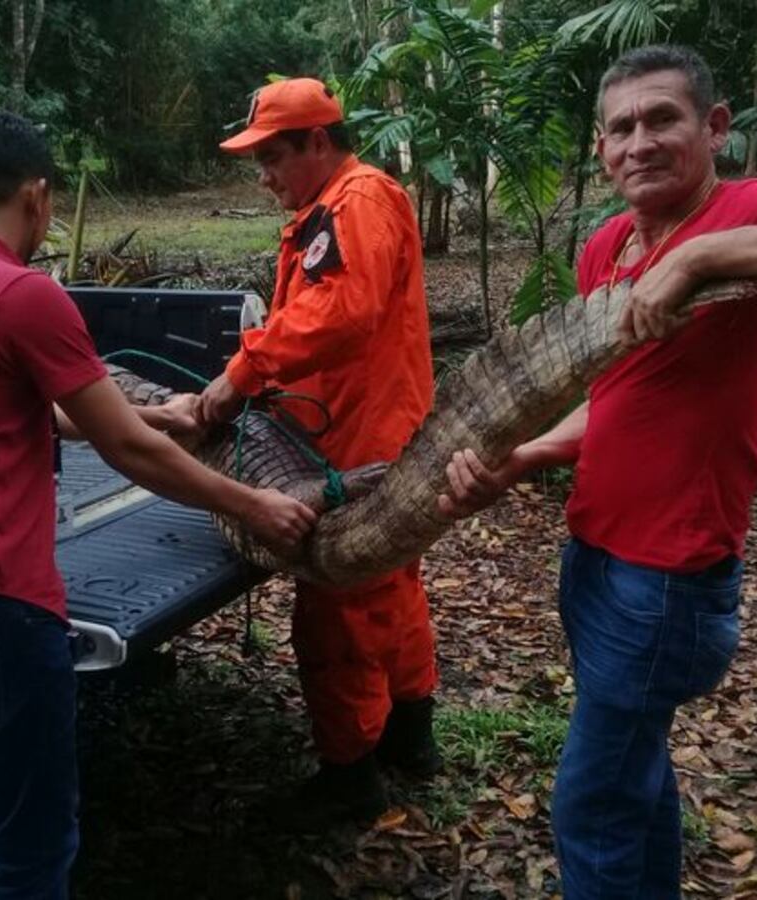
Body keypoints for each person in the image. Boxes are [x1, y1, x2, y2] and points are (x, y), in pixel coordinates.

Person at [438, 45, 757, 899]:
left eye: (663, 118)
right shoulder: (606, 250)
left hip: (667, 581)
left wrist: (706, 258)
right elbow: (616, 403)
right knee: (633, 775)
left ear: (715, 127)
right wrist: (526, 458)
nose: (640, 142)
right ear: (599, 149)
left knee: (592, 803)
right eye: (620, 127)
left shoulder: (749, 209)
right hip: (592, 556)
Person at [0, 110, 316, 899]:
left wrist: (156, 414)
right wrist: (252, 505)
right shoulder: (21, 294)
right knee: (37, 843)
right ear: (40, 199)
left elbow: (34, 411)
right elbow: (129, 453)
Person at [198, 78, 440, 829]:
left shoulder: (355, 202)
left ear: (318, 143)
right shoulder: (335, 205)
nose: (264, 176)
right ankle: (411, 738)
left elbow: (339, 313)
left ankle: (350, 775)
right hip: (370, 427)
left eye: (273, 157)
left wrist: (241, 375)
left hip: (361, 440)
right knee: (391, 584)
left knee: (335, 606)